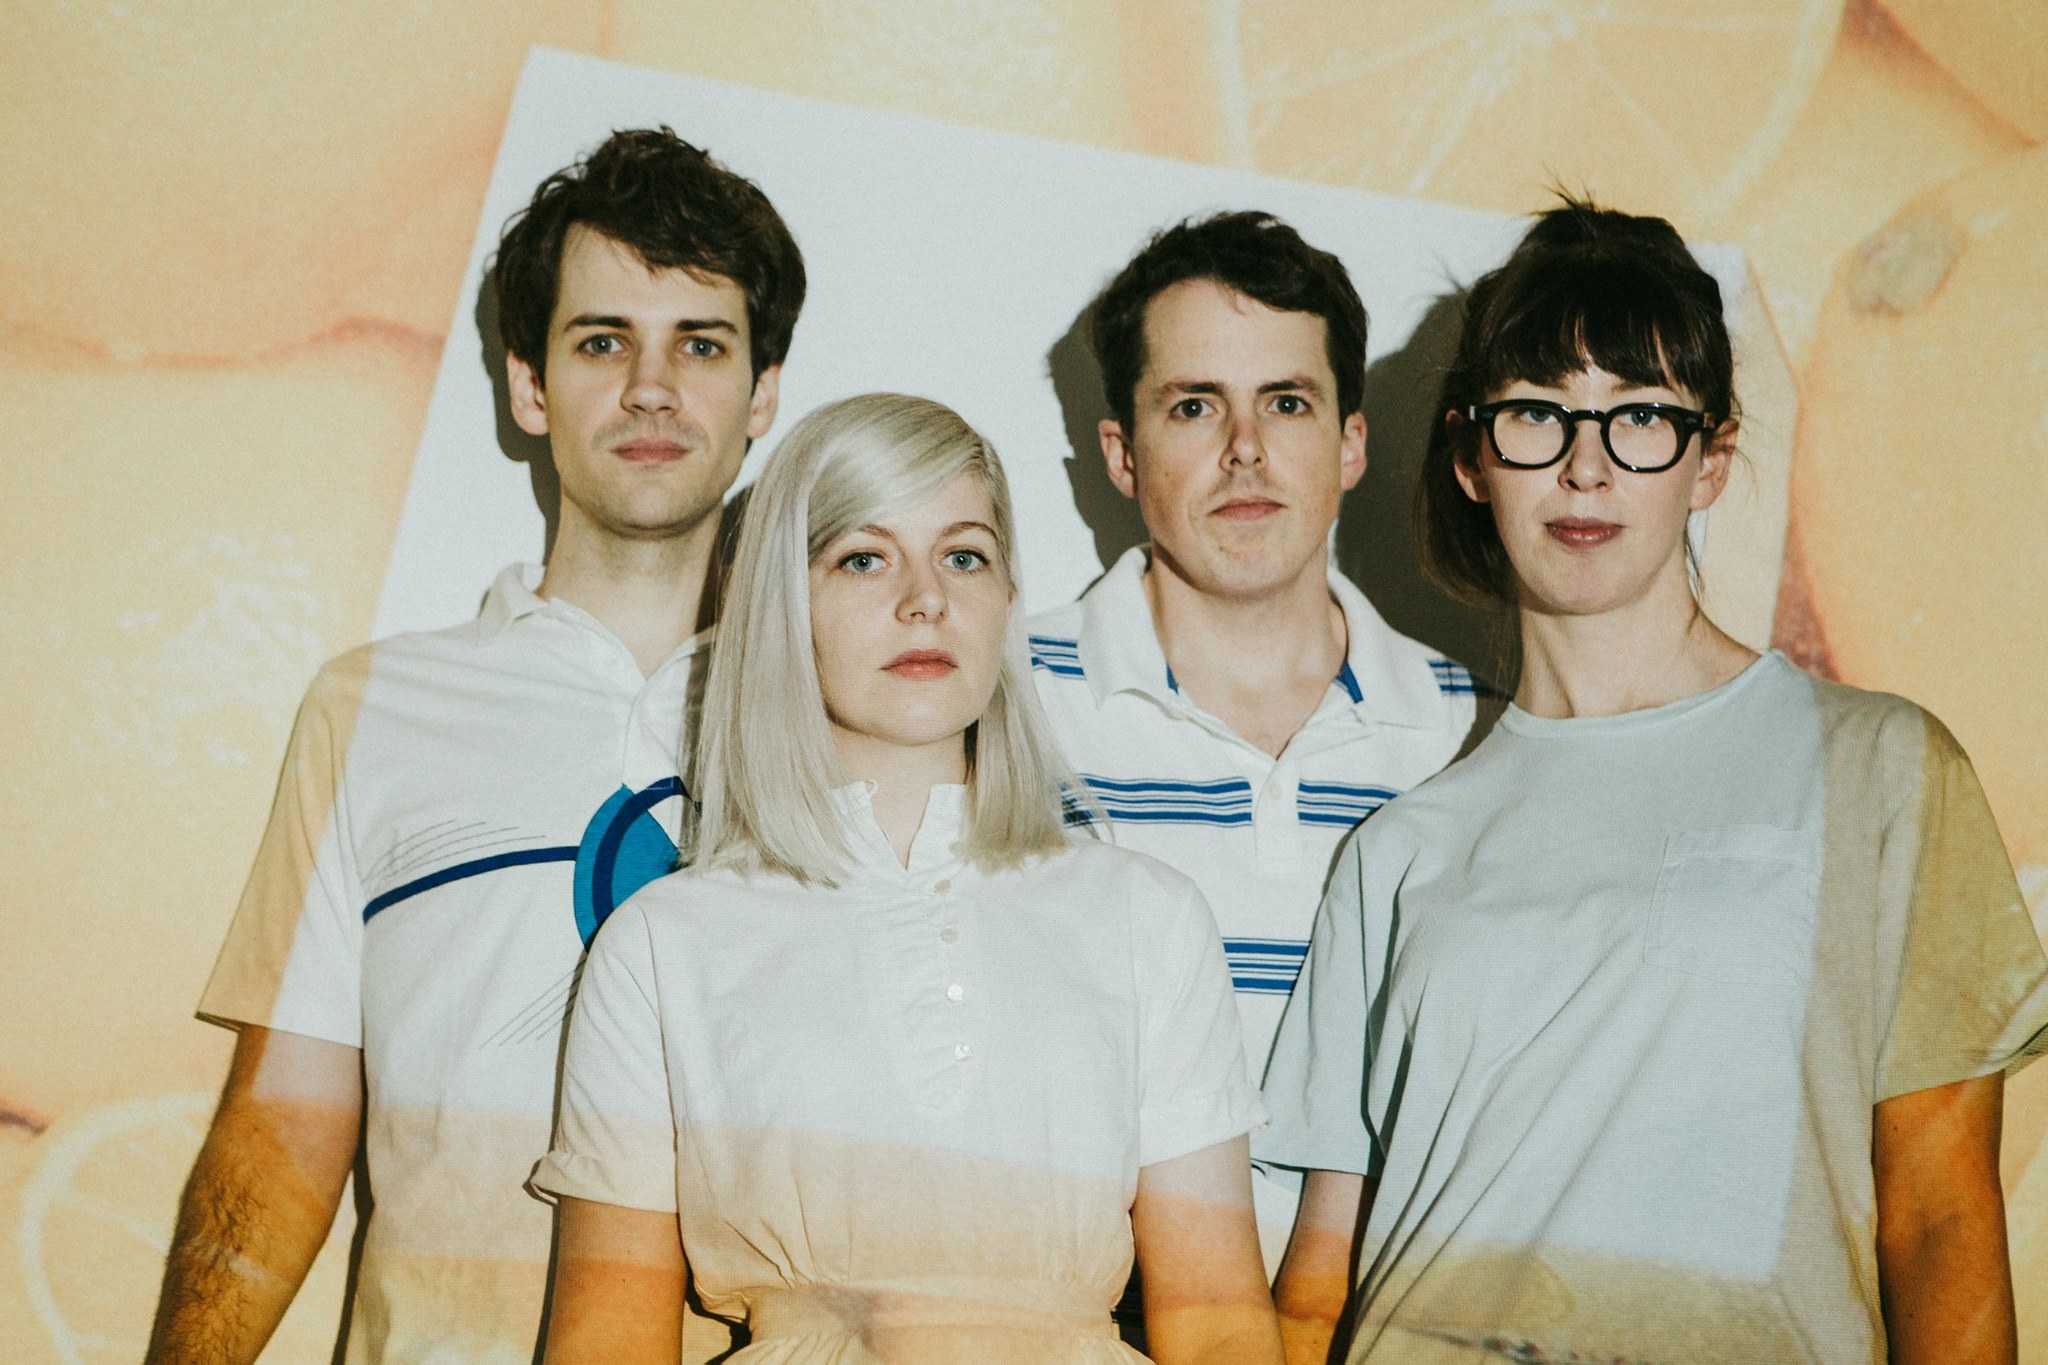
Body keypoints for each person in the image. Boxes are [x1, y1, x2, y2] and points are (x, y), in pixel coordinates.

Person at [1259, 198, 2048, 1364]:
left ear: (1710, 459)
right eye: (1536, 415)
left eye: (1637, 417)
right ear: (1473, 459)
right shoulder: (1397, 852)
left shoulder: (1878, 768)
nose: (1584, 468)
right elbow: (1317, 1287)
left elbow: (1939, 1223)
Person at [145, 128, 804, 1363]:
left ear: (762, 393)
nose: (651, 387)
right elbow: (284, 1124)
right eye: (601, 341)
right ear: (528, 386)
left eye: (700, 345)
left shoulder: (847, 721)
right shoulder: (374, 705)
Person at [531, 393, 1284, 1364]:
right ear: (782, 607)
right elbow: (605, 1341)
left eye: (963, 556)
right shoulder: (658, 944)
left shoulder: (1148, 915)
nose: (925, 599)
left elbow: (1219, 1322)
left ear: (1006, 599)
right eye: (863, 558)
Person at [1029, 211, 1476, 1272]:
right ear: (1122, 454)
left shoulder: (1471, 732)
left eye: (1286, 402)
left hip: (1379, 1317)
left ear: (1351, 443)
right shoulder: (998, 701)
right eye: (1193, 405)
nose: (1245, 450)